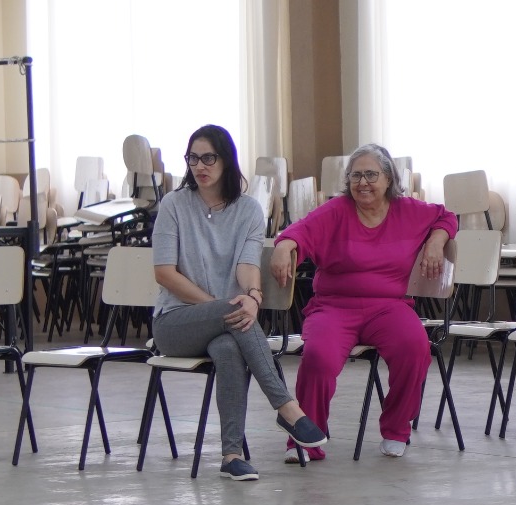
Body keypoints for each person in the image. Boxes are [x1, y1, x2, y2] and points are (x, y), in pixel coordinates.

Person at [151, 124, 327, 481]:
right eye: (193, 158)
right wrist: (222, 308)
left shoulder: (248, 210)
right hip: (174, 324)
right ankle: (286, 407)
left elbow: (247, 267)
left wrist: (253, 297)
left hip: (227, 325)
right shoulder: (173, 204)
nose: (199, 166)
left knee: (228, 348)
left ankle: (231, 455)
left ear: (226, 160)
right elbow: (165, 274)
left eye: (208, 158)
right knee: (234, 315)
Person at [270, 143, 456, 461]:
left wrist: (437, 240)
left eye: (371, 174)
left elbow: (446, 217)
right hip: (334, 306)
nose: (363, 183)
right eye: (356, 176)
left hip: (389, 306)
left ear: (388, 179)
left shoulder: (409, 210)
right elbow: (299, 231)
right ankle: (306, 439)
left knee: (415, 348)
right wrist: (283, 246)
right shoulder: (336, 210)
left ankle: (396, 429)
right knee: (318, 357)